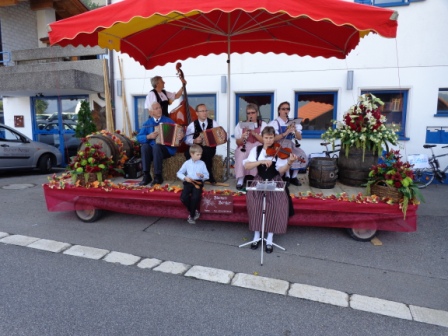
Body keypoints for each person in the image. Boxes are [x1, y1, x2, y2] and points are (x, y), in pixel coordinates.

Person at [243, 126, 298, 253]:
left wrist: (289, 163)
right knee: (256, 205)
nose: (268, 140)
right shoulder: (256, 150)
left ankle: (270, 238)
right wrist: (261, 161)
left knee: (275, 205)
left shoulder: (279, 151)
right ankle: (256, 236)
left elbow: (281, 171)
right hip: (259, 180)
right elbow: (247, 165)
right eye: (266, 138)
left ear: (274, 138)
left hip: (275, 180)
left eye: (271, 138)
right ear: (262, 138)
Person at [137, 102, 177, 186]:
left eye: (160, 108)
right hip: (152, 151)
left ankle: (158, 176)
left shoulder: (169, 121)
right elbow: (139, 138)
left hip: (166, 150)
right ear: (151, 112)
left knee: (157, 146)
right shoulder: (147, 123)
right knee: (144, 147)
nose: (159, 110)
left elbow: (179, 133)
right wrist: (148, 137)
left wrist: (181, 136)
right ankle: (146, 175)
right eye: (156, 108)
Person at [268, 101, 308, 186]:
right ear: (279, 110)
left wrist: (295, 130)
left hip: (290, 143)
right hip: (279, 144)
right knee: (285, 156)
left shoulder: (293, 122)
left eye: (287, 109)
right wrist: (286, 133)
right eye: (283, 109)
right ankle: (287, 176)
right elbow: (273, 138)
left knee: (300, 154)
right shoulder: (275, 123)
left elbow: (299, 138)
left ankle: (294, 177)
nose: (286, 111)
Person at [184, 103, 221, 184]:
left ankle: (208, 176)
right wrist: (194, 141)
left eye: (206, 111)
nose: (205, 113)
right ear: (197, 113)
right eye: (202, 111)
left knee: (206, 152)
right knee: (188, 153)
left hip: (210, 148)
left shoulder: (214, 123)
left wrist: (216, 139)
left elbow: (221, 135)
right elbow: (186, 139)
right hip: (196, 147)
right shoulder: (192, 125)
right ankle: (192, 175)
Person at [234, 103, 267, 190]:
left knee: (258, 154)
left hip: (258, 144)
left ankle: (257, 179)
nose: (250, 115)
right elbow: (238, 142)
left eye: (253, 113)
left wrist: (253, 133)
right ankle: (240, 179)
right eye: (248, 113)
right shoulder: (241, 125)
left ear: (257, 113)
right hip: (246, 144)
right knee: (241, 155)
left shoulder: (262, 124)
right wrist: (242, 137)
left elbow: (264, 141)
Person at [176, 144, 210, 224]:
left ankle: (191, 216)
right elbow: (179, 173)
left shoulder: (202, 163)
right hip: (188, 182)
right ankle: (194, 211)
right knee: (183, 197)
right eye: (198, 154)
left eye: (200, 154)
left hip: (198, 182)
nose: (200, 156)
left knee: (195, 197)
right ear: (192, 154)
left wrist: (202, 176)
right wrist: (185, 178)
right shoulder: (187, 163)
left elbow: (207, 175)